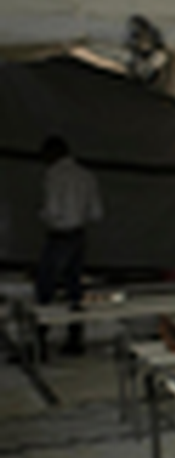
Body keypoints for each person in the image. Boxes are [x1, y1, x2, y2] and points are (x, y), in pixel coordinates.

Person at [35, 135, 103, 356]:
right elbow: (96, 212)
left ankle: (40, 342)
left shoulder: (54, 175)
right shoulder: (86, 175)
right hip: (79, 235)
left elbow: (53, 210)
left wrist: (44, 216)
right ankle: (75, 338)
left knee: (46, 287)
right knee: (74, 287)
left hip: (59, 235)